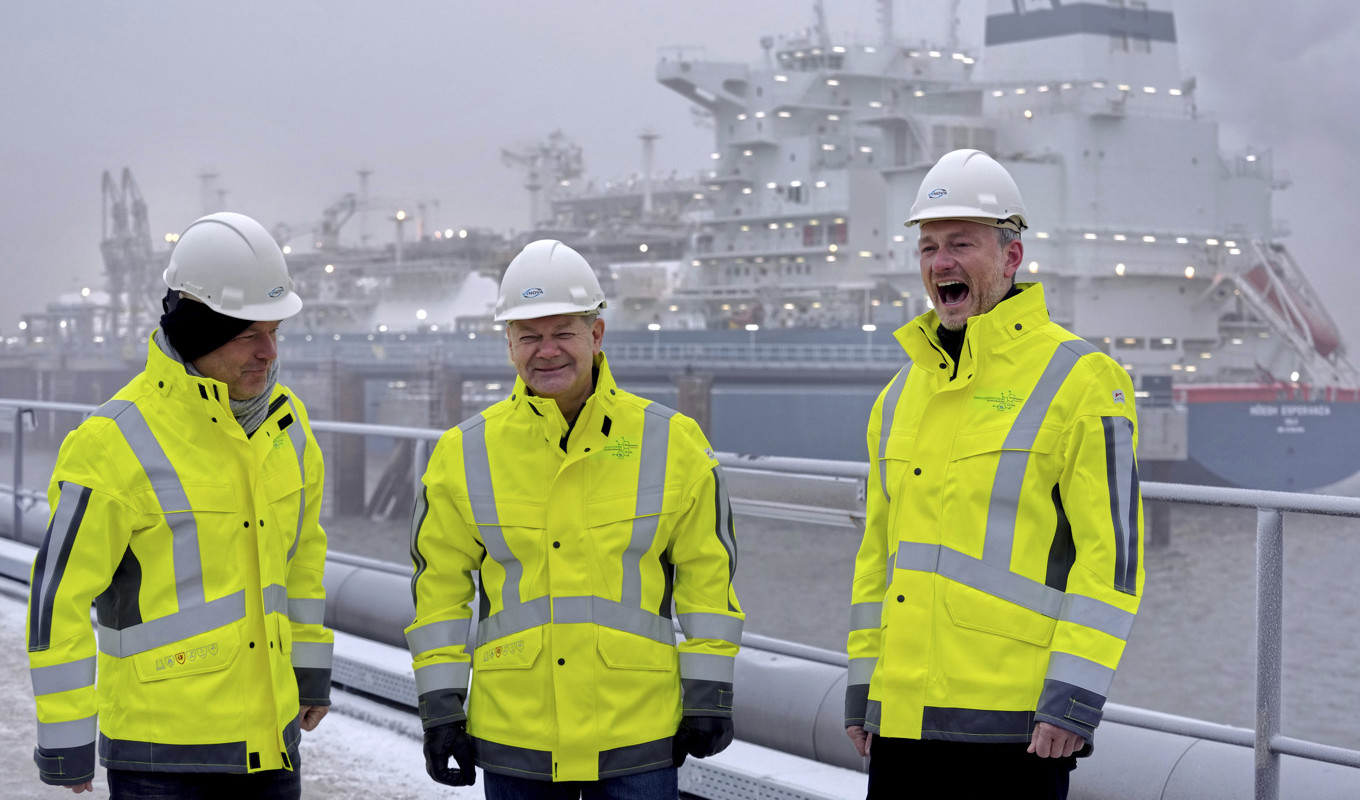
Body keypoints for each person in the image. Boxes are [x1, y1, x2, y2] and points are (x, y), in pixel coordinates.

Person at [844, 150, 1144, 799]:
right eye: (929, 247)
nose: (941, 262)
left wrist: (1074, 698)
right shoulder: (898, 396)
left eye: (961, 243)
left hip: (1018, 729)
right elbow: (878, 558)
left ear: (1011, 258)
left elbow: (1111, 557)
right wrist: (864, 684)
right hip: (902, 719)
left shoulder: (1082, 378)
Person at [407, 239, 743, 797]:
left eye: (563, 332)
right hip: (518, 738)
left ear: (596, 335)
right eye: (529, 336)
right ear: (508, 343)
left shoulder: (673, 442)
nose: (547, 351)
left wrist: (709, 691)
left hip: (637, 733)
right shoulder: (462, 453)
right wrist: (441, 708)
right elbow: (438, 588)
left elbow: (709, 574)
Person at [25, 212, 332, 798]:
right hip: (160, 759)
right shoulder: (111, 442)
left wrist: (310, 670)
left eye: (275, 331)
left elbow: (304, 559)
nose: (269, 352)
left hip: (272, 746)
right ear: (197, 332)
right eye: (248, 334)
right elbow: (56, 600)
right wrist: (65, 739)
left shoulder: (287, 425)